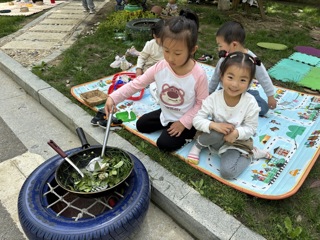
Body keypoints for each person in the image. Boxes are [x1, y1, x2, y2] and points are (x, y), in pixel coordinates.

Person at [104, 12, 209, 152]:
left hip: (187, 117)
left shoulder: (198, 75)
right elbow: (138, 83)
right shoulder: (161, 66)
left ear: (192, 50)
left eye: (177, 53)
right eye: (166, 50)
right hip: (166, 112)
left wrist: (183, 123)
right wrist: (113, 97)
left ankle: (190, 132)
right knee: (141, 125)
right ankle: (167, 121)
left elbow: (202, 105)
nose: (171, 58)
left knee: (164, 144)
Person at [187, 51, 271, 179]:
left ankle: (251, 154)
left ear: (250, 82)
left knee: (228, 172)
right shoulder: (213, 98)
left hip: (236, 143)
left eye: (242, 80)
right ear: (222, 76)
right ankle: (198, 146)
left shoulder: (250, 102)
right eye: (230, 77)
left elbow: (251, 128)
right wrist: (213, 124)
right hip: (214, 139)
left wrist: (236, 133)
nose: (235, 84)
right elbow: (197, 120)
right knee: (218, 130)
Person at [209, 21, 277, 116]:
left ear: (234, 45)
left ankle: (248, 100)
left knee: (263, 109)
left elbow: (263, 76)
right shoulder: (224, 59)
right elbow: (216, 76)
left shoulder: (251, 59)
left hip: (244, 92)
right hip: (226, 90)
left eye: (220, 45)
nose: (219, 49)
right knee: (212, 107)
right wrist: (209, 92)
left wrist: (270, 96)